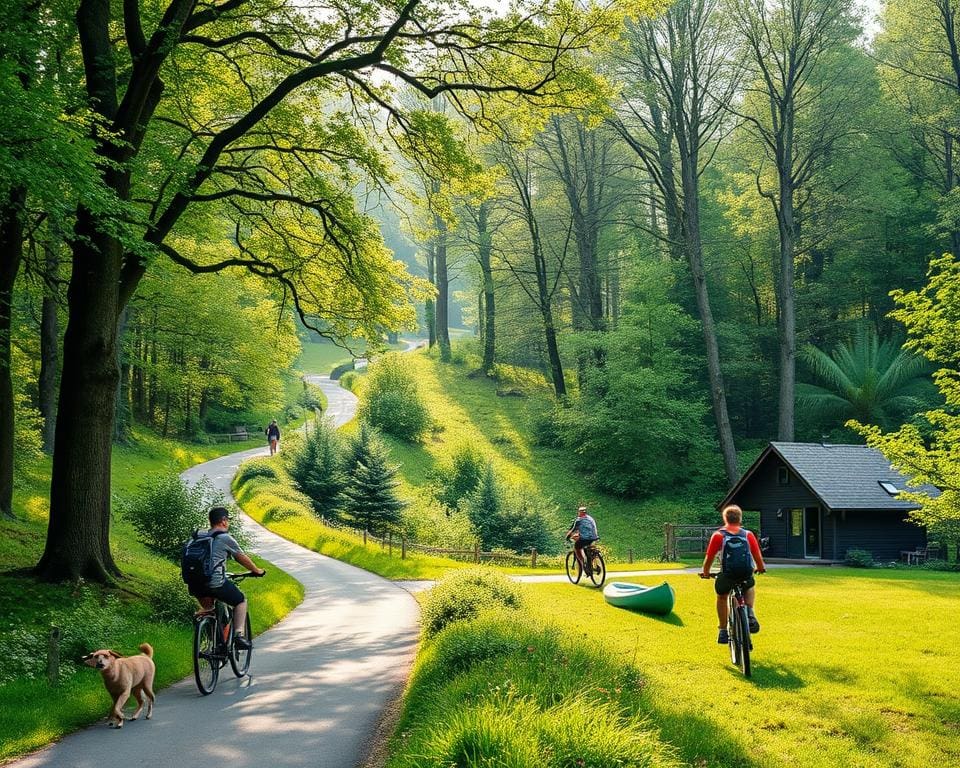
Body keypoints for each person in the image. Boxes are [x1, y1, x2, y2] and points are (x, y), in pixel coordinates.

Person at [190, 506, 265, 650]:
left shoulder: (198, 538)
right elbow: (241, 558)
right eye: (227, 521)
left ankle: (215, 642)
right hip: (215, 583)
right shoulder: (224, 538)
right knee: (240, 600)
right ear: (223, 521)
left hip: (195, 584)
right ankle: (238, 636)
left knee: (210, 609)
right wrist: (257, 571)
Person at [700, 504, 766, 644]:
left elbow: (709, 557)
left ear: (725, 518)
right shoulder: (748, 534)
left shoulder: (719, 535)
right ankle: (749, 612)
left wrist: (706, 572)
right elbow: (757, 555)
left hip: (727, 574)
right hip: (745, 573)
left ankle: (723, 630)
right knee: (749, 585)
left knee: (722, 597)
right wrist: (760, 568)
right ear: (740, 518)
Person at [565, 504, 599, 571]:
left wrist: (567, 537)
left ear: (579, 512)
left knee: (577, 547)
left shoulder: (579, 520)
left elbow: (573, 529)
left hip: (585, 539)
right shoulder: (591, 519)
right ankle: (590, 566)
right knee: (588, 550)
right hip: (594, 537)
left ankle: (582, 563)